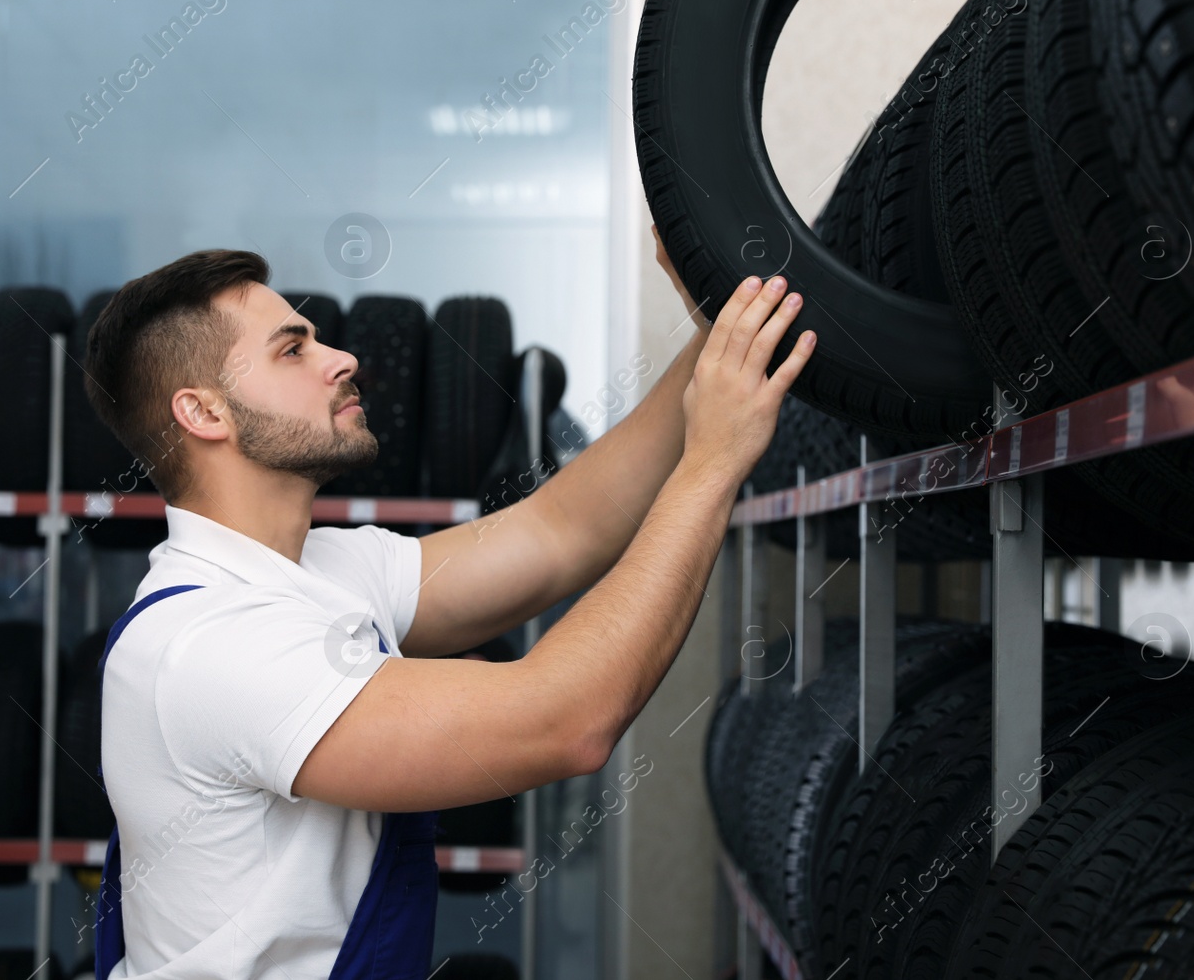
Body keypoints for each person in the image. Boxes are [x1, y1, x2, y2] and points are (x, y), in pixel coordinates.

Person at [80, 229, 815, 979]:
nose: (343, 358)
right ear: (204, 413)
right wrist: (715, 462)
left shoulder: (321, 567)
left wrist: (714, 338)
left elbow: (559, 530)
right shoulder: (213, 643)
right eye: (292, 350)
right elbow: (567, 719)